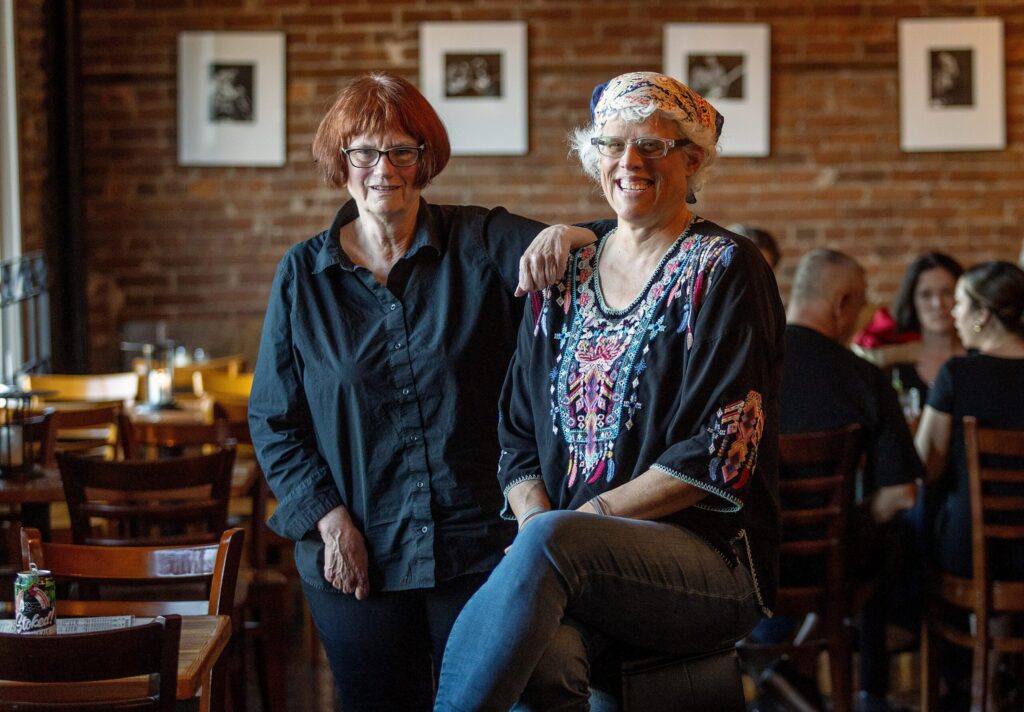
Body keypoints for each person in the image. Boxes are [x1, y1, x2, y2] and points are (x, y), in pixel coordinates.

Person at [434, 71, 784, 711]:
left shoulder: (726, 268)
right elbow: (515, 439)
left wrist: (565, 530)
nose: (630, 161)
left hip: (709, 561)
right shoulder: (563, 271)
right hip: (566, 562)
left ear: (694, 159)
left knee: (546, 551)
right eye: (613, 144)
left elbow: (720, 450)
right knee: (545, 660)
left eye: (652, 145)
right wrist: (543, 531)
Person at [247, 71, 595, 712]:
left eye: (402, 150)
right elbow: (275, 420)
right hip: (359, 550)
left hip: (482, 547)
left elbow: (607, 245)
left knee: (484, 700)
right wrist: (328, 520)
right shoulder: (303, 275)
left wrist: (568, 234)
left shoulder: (482, 242)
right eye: (365, 152)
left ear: (424, 159)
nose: (385, 169)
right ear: (341, 162)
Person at [753, 249, 920, 712]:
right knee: (892, 539)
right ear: (842, 302)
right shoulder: (864, 377)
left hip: (744, 557)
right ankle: (834, 678)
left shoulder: (747, 362)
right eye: (862, 303)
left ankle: (783, 669)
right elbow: (901, 496)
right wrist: (848, 517)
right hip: (828, 563)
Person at [915, 260, 1024, 708]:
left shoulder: (958, 375)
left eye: (959, 302)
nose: (954, 314)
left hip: (975, 553)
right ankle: (1003, 675)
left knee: (918, 524)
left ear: (983, 315)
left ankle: (966, 683)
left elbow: (926, 466)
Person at [888, 252, 965, 400]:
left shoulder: (982, 358)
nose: (938, 304)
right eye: (926, 294)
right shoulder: (894, 366)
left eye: (947, 292)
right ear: (912, 301)